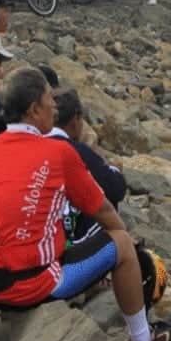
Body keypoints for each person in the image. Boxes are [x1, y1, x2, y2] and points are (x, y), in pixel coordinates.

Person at [0, 68, 171, 341]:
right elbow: (103, 209)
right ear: (34, 110)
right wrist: (131, 248)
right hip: (31, 286)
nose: (54, 105)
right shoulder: (57, 152)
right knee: (122, 244)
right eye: (49, 98)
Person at [50, 88, 127, 245]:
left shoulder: (32, 144)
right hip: (66, 242)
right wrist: (110, 167)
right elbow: (116, 188)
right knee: (107, 203)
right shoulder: (74, 149)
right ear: (76, 119)